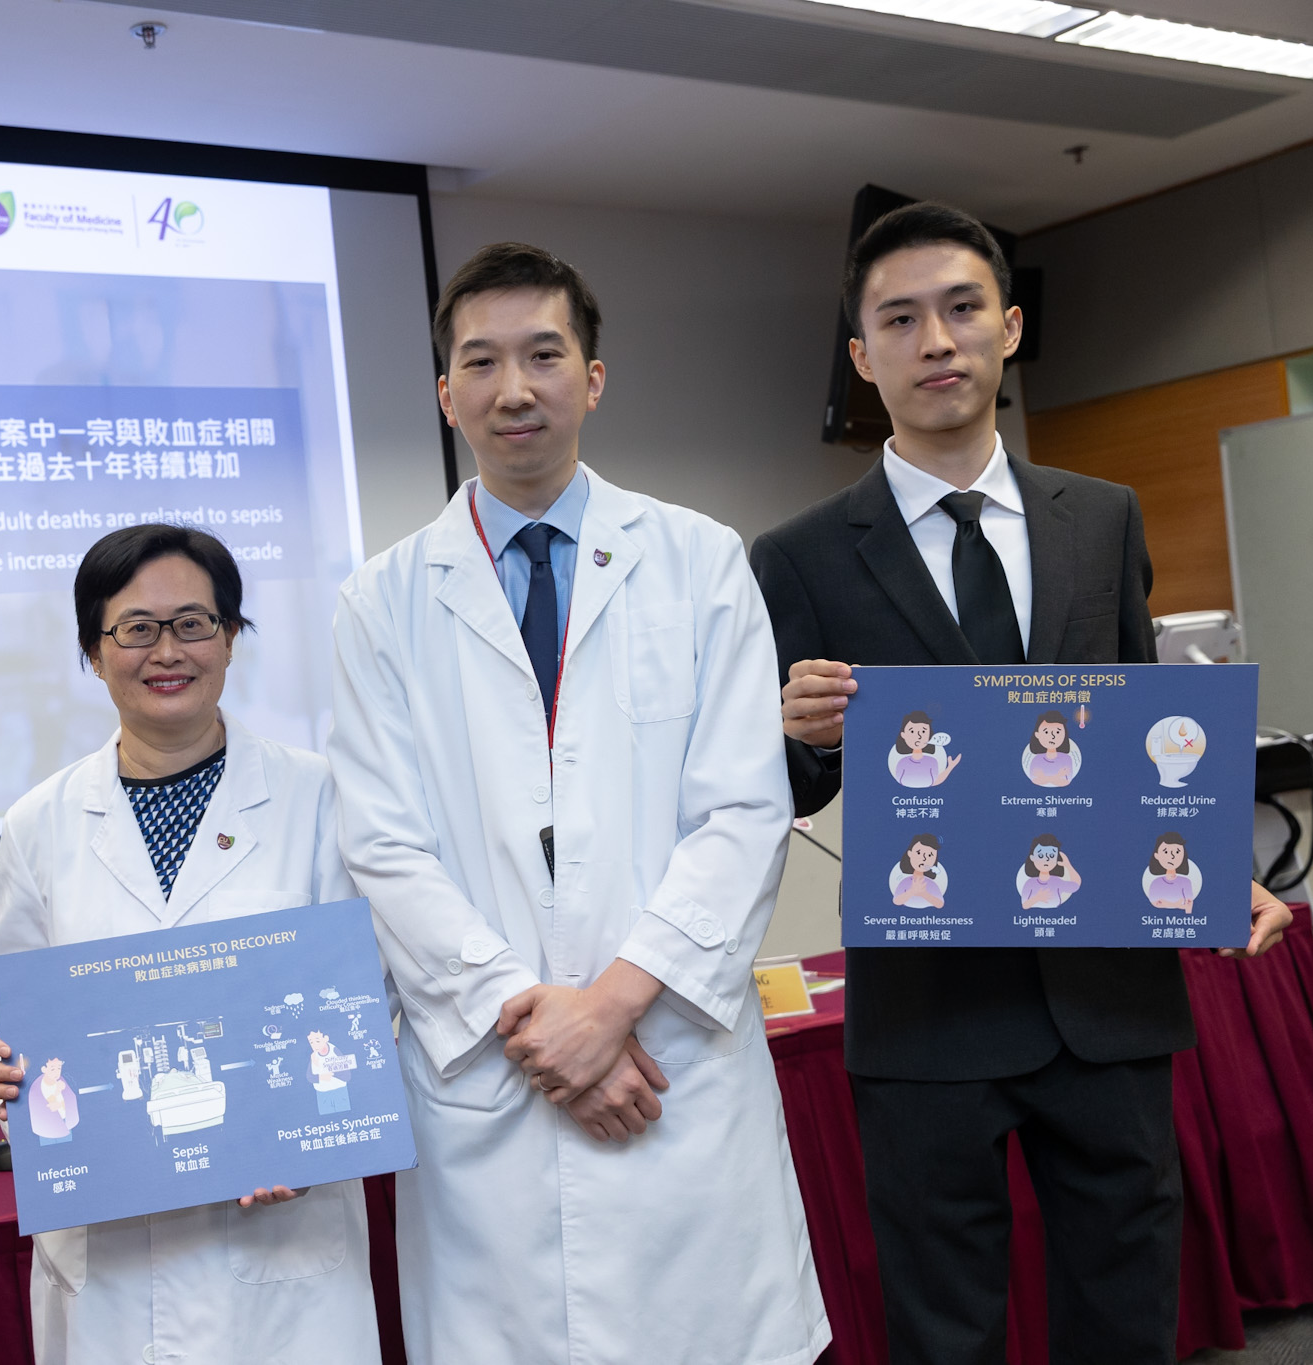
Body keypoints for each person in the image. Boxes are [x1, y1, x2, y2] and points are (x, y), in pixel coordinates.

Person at [750, 200, 1294, 1364]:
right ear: (861, 358)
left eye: (958, 310)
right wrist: (796, 736)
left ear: (1005, 329)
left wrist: (1217, 873)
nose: (934, 341)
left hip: (1104, 995)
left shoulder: (1102, 520)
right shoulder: (793, 556)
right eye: (898, 320)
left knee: (1125, 1302)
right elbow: (789, 788)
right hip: (924, 1012)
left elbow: (1149, 736)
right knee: (941, 1325)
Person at [329, 241, 828, 1364]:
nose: (515, 389)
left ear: (591, 378)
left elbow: (742, 814)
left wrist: (606, 1008)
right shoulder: (379, 601)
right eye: (482, 362)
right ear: (444, 391)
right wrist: (535, 1018)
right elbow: (383, 845)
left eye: (544, 355)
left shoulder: (698, 562)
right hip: (498, 1080)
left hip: (669, 1061)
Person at [0, 524, 380, 1365]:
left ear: (232, 638)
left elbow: (371, 992)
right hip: (115, 1249)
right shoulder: (40, 822)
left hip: (279, 1237)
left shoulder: (318, 797)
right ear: (94, 650)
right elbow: (7, 988)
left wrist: (309, 1137)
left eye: (194, 623)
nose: (169, 650)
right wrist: (2, 1059)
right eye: (136, 628)